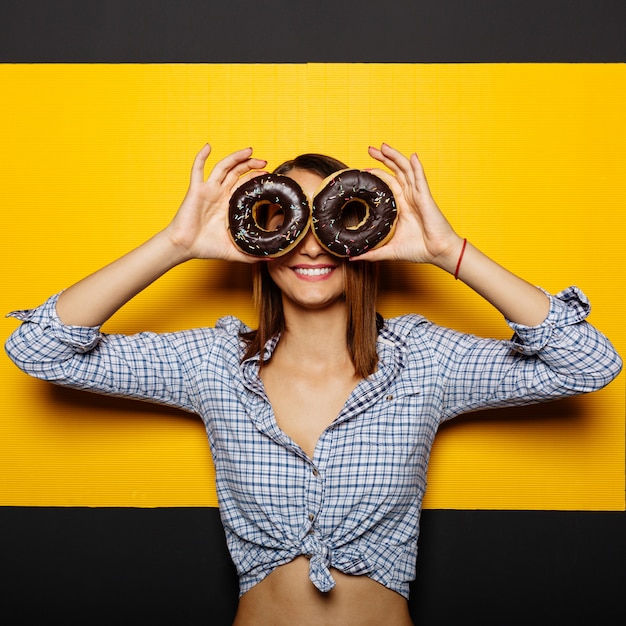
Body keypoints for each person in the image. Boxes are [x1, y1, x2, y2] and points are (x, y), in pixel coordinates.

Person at [5, 143, 622, 625]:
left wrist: (446, 252)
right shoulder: (214, 363)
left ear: (364, 230)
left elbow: (590, 363)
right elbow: (39, 350)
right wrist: (176, 245)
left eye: (335, 218)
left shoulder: (425, 360)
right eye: (286, 218)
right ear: (259, 238)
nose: (310, 244)